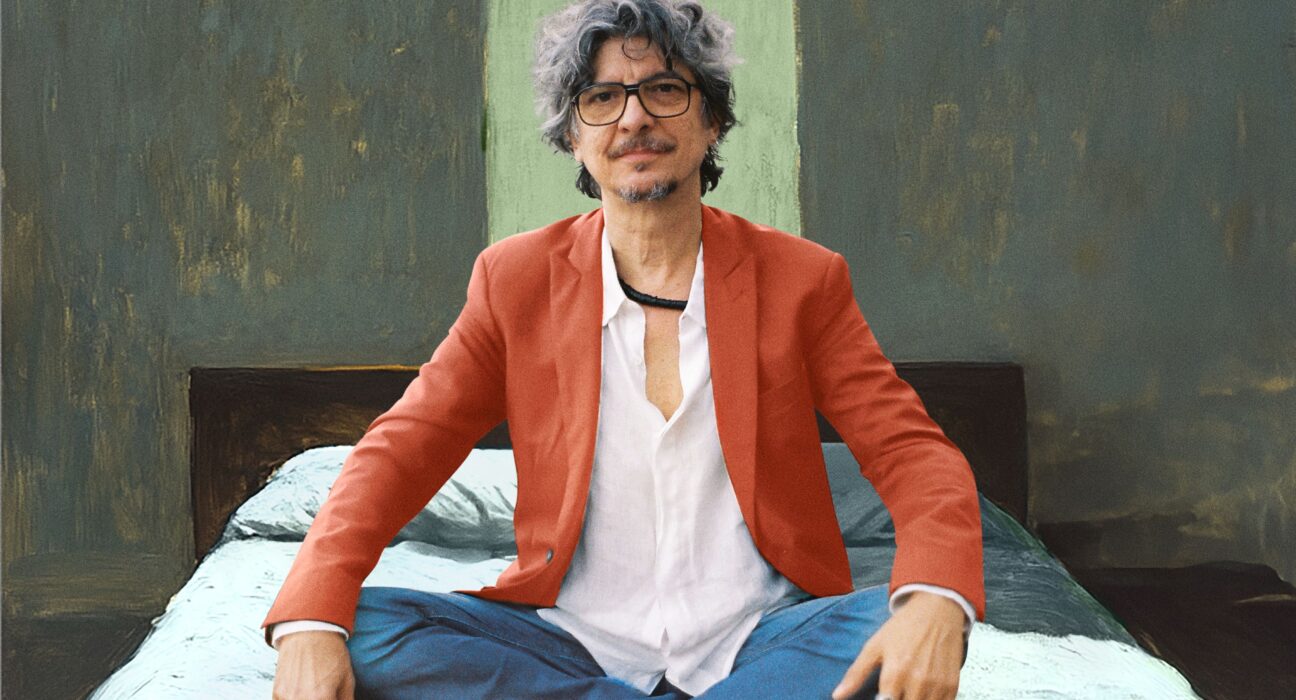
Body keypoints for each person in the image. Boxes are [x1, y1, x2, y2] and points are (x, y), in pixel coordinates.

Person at [265, 1, 984, 698]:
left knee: (909, 619)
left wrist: (935, 600)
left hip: (762, 638)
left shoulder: (803, 280)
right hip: (571, 644)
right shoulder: (514, 282)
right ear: (573, 137)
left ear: (712, 119)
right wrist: (309, 619)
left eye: (664, 90)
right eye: (602, 98)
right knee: (358, 627)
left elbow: (911, 453)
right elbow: (399, 451)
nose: (634, 117)